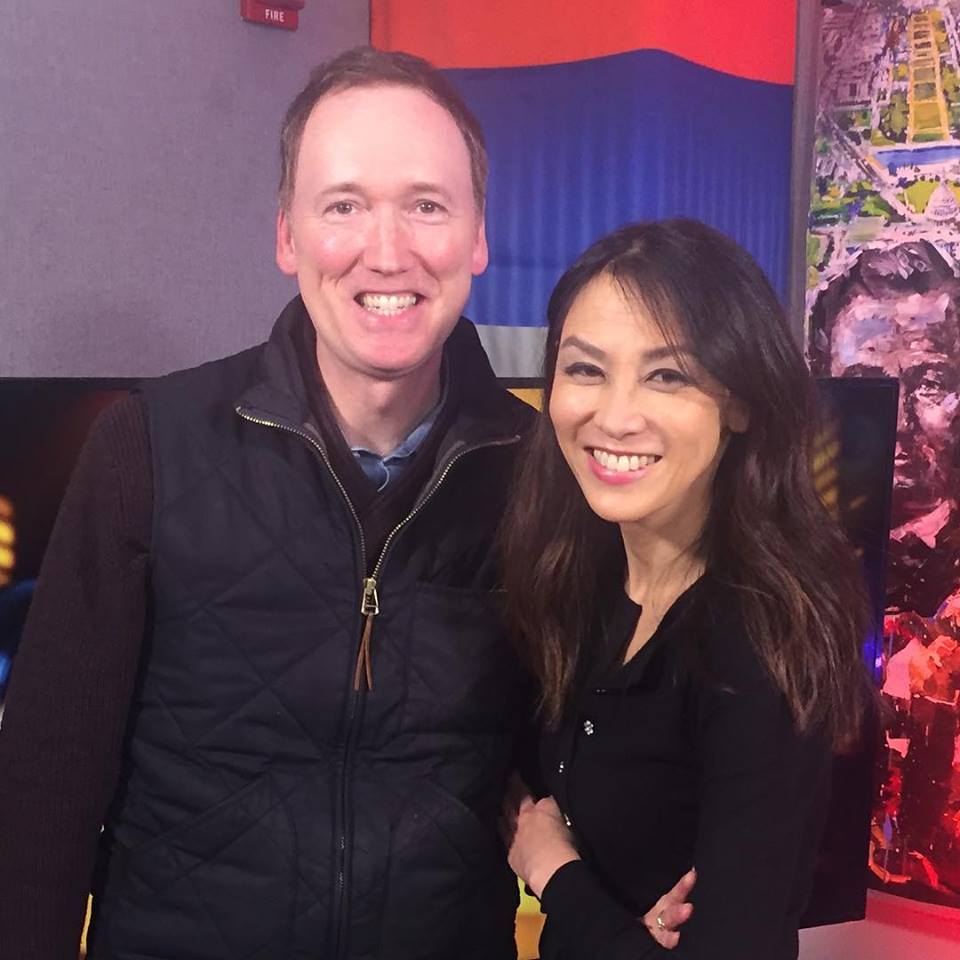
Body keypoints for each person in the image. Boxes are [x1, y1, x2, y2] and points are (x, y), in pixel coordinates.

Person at [0, 48, 690, 960]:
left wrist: (635, 891)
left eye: (426, 205)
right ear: (287, 235)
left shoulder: (548, 474)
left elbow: (577, 755)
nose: (387, 251)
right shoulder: (148, 448)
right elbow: (43, 791)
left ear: (478, 237)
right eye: (344, 206)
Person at [500, 220, 872, 958]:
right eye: (585, 369)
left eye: (667, 375)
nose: (614, 416)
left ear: (740, 402)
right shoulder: (574, 576)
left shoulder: (760, 639)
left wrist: (553, 870)